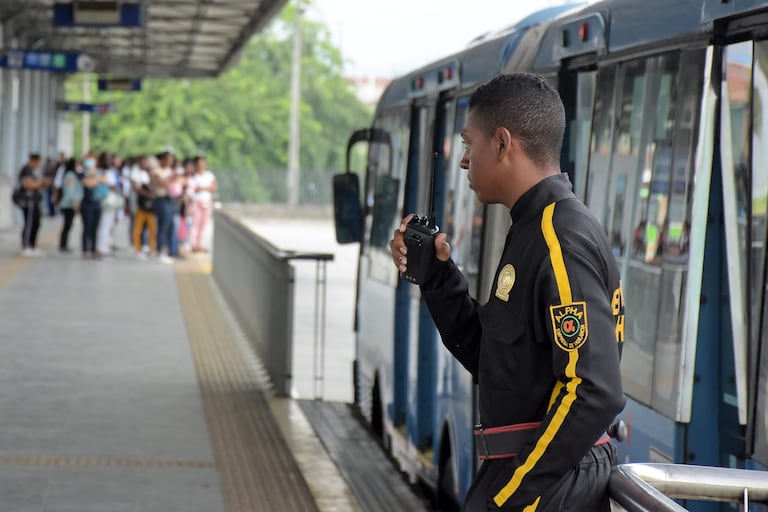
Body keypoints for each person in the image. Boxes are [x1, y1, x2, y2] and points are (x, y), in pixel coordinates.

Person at [389, 73, 626, 511]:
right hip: (534, 475)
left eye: (467, 142)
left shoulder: (560, 237)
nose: (463, 161)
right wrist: (439, 277)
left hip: (545, 484)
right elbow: (498, 359)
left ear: (501, 143)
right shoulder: (533, 229)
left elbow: (593, 388)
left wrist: (512, 493)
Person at [16, 153, 50, 256]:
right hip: (29, 201)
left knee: (36, 223)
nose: (39, 164)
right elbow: (28, 184)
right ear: (34, 161)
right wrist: (41, 182)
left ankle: (31, 245)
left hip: (34, 201)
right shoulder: (26, 170)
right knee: (29, 223)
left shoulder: (31, 171)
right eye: (39, 162)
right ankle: (26, 246)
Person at [188, 155, 217, 253]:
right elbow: (193, 189)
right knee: (195, 224)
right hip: (197, 202)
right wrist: (206, 187)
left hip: (207, 202)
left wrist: (201, 188)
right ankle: (193, 245)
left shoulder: (209, 175)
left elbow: (213, 188)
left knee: (203, 225)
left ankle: (200, 245)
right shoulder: (193, 176)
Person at [57, 158, 83, 253]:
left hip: (70, 204)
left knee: (68, 225)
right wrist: (75, 202)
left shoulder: (72, 175)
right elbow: (70, 190)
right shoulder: (70, 176)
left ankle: (64, 244)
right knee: (67, 225)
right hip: (68, 205)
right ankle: (63, 245)